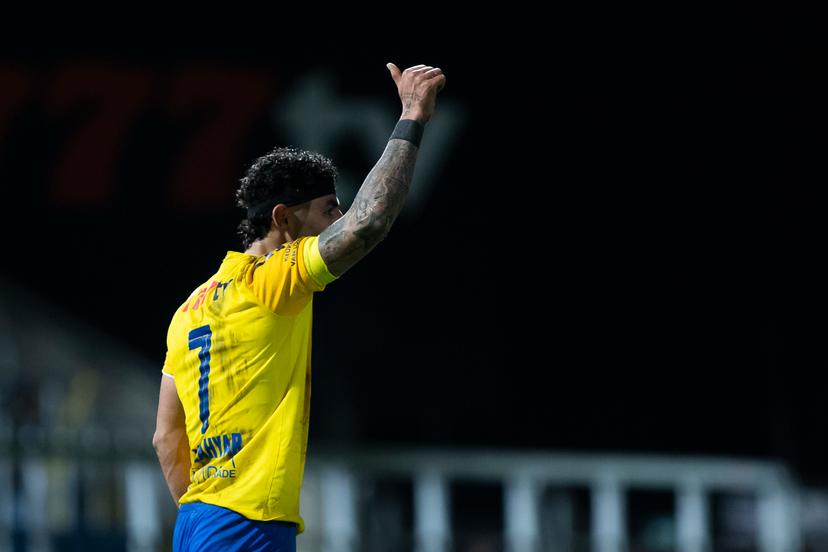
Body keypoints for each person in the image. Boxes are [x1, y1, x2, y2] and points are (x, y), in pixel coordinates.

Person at [151, 62, 446, 552]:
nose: (338, 219)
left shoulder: (188, 310)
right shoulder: (272, 281)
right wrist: (412, 117)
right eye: (328, 209)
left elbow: (165, 438)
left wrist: (209, 515)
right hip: (248, 522)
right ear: (282, 219)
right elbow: (368, 224)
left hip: (199, 523)